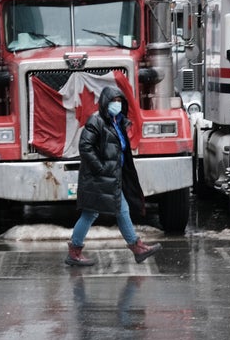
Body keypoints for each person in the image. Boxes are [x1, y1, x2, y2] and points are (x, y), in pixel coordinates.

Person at [65, 85, 161, 266]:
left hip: (112, 177)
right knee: (91, 213)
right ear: (104, 102)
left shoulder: (118, 122)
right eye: (113, 101)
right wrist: (100, 168)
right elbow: (85, 147)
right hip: (98, 177)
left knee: (118, 210)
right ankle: (75, 251)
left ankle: (136, 247)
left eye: (119, 101)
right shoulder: (96, 121)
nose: (116, 104)